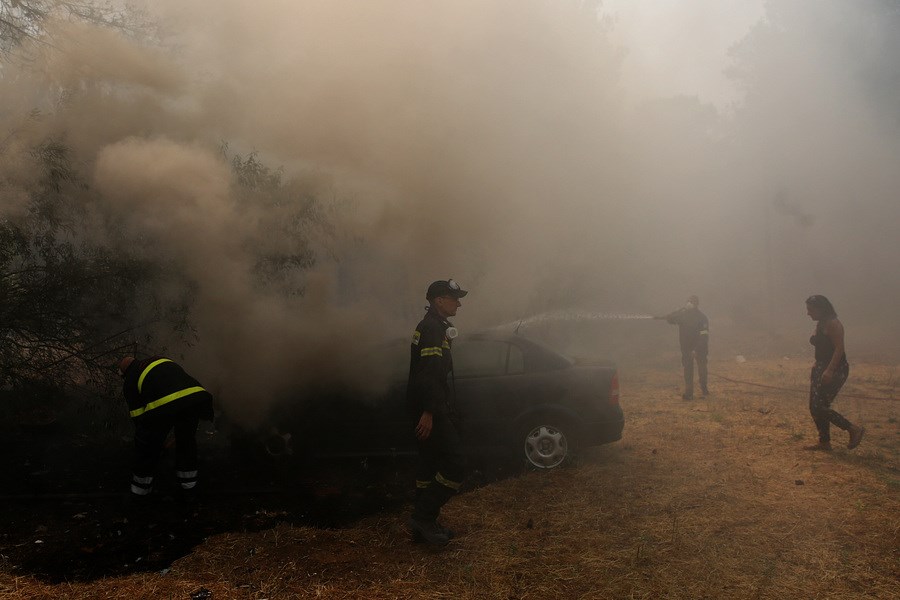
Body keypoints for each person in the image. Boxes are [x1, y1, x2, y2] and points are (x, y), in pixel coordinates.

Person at [406, 279, 468, 546]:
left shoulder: (432, 325)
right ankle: (423, 517)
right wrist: (430, 412)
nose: (459, 304)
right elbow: (429, 373)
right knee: (455, 464)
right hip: (430, 409)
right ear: (439, 300)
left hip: (425, 406)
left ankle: (423, 527)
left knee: (428, 464)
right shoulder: (432, 328)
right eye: (454, 298)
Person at [118, 355, 215, 502]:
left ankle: (139, 492)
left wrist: (150, 442)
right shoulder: (158, 360)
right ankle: (189, 489)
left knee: (146, 446)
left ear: (124, 373)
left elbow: (139, 419)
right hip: (195, 398)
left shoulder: (130, 380)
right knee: (186, 443)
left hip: (165, 405)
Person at [804, 295, 864, 452]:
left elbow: (839, 349)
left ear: (821, 308)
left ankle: (853, 429)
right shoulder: (821, 323)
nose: (808, 313)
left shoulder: (833, 324)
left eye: (811, 310)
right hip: (821, 367)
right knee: (815, 407)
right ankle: (824, 442)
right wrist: (817, 365)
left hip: (835, 369)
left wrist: (830, 370)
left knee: (819, 406)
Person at [656, 295, 709, 400]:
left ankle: (704, 387)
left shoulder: (702, 318)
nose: (689, 303)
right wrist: (678, 311)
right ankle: (689, 394)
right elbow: (671, 319)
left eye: (691, 302)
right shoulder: (682, 315)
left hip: (700, 349)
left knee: (702, 369)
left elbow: (704, 336)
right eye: (688, 301)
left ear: (696, 304)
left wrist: (696, 349)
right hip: (686, 348)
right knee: (688, 370)